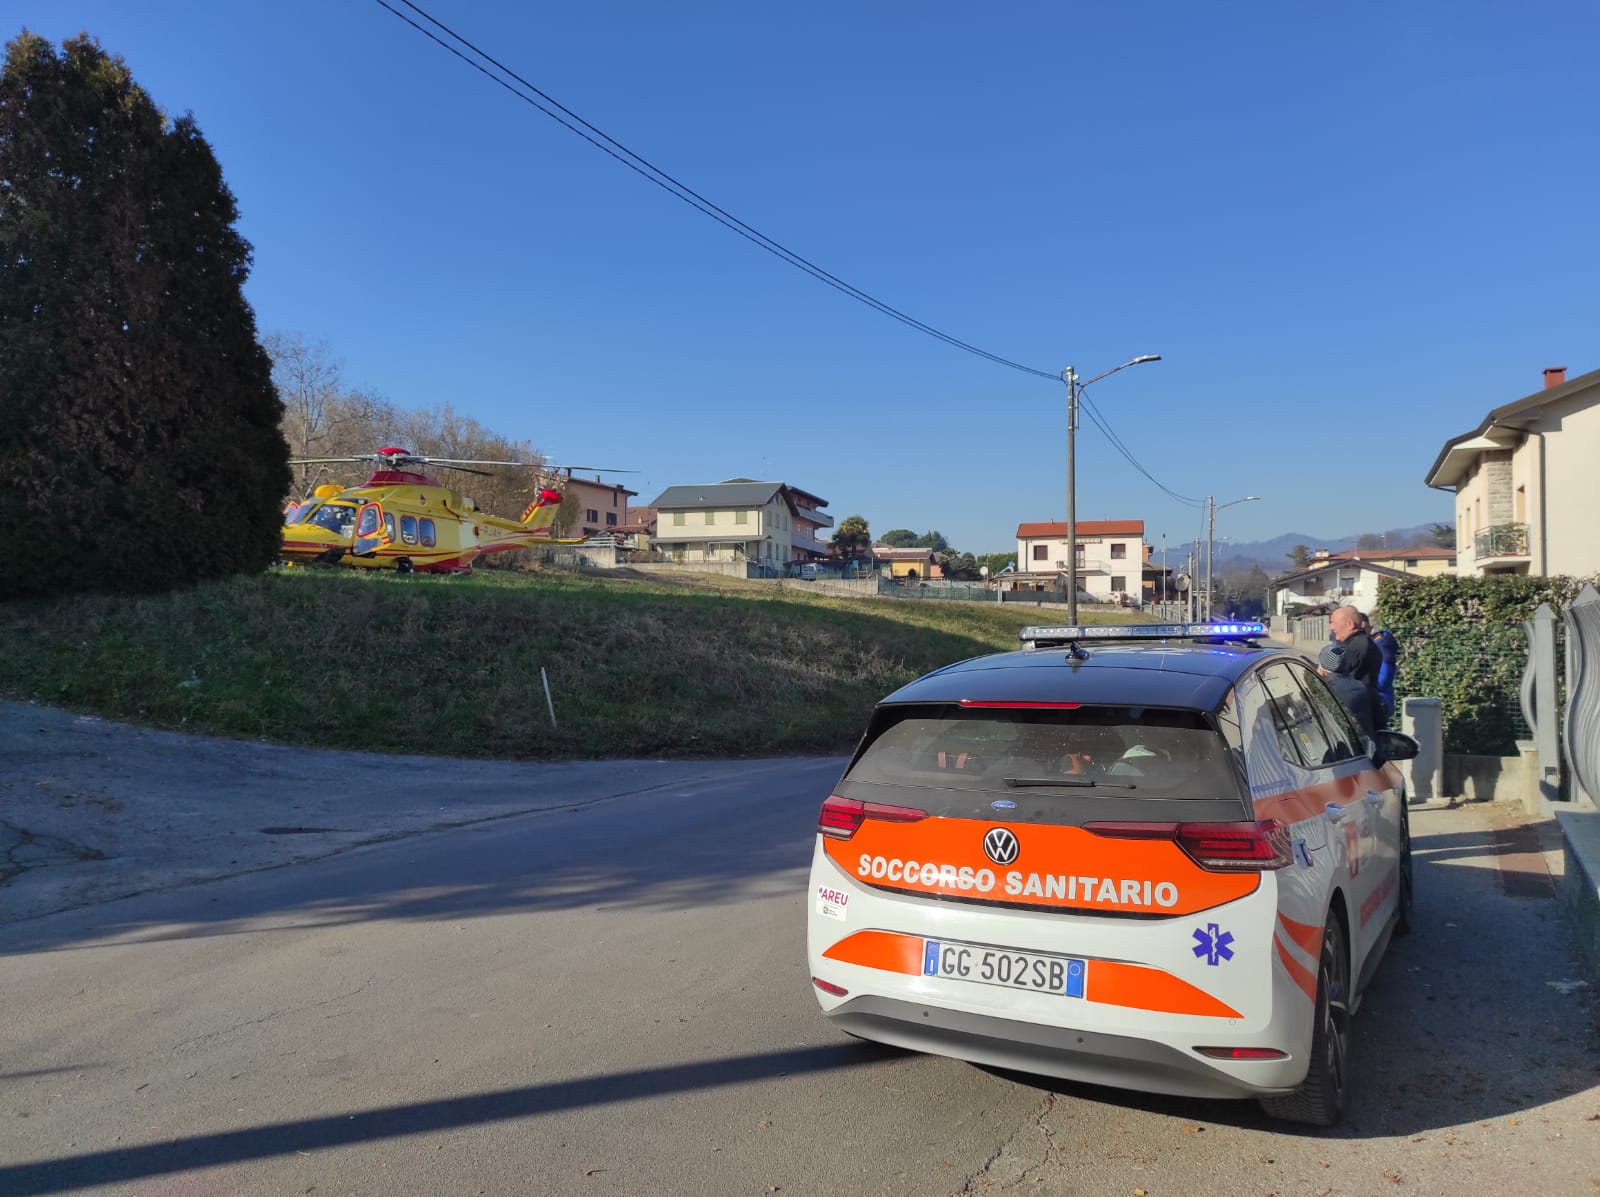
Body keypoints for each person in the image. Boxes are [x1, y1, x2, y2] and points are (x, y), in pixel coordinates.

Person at [1317, 641, 1377, 746]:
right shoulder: (1362, 687)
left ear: (1322, 668)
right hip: (1364, 748)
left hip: (1338, 749)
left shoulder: (1324, 690)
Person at [1329, 605, 1383, 693]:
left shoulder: (1356, 646)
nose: (1331, 627)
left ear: (1350, 624)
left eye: (1334, 623)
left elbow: (1333, 676)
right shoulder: (1360, 642)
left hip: (1356, 702)